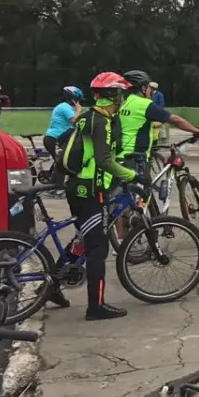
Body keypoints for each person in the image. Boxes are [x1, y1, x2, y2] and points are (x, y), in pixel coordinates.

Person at [58, 73, 148, 321]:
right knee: (98, 248)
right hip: (90, 190)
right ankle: (95, 307)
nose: (123, 99)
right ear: (114, 96)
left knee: (82, 239)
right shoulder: (102, 121)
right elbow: (104, 160)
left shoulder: (87, 116)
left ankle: (54, 285)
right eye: (121, 94)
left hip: (76, 185)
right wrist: (132, 175)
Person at [44, 86, 83, 168]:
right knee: (61, 164)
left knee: (61, 161)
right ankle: (55, 180)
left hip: (59, 138)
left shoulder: (66, 107)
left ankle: (51, 175)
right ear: (73, 98)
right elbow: (74, 122)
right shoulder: (65, 107)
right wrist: (78, 110)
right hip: (54, 138)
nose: (79, 102)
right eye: (78, 99)